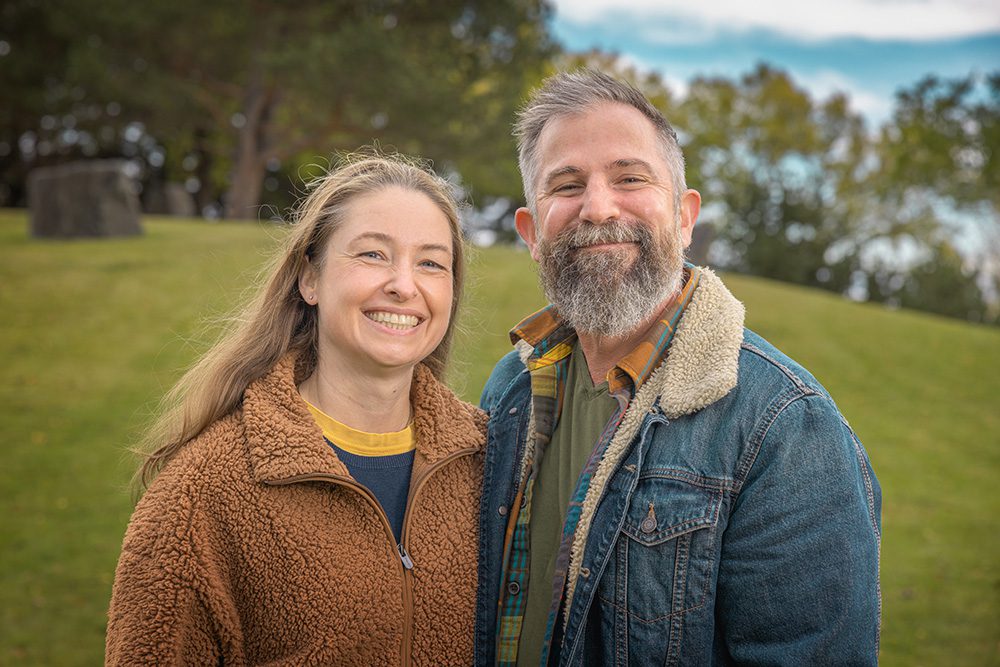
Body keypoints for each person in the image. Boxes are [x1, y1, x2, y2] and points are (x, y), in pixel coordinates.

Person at [475, 69, 882, 666]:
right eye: (566, 185)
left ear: (685, 217)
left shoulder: (785, 426)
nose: (597, 207)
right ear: (532, 233)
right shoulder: (509, 387)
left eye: (629, 178)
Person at [106, 153, 485, 665]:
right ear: (310, 279)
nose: (403, 284)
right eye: (373, 254)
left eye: (431, 263)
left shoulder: (491, 464)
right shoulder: (202, 491)